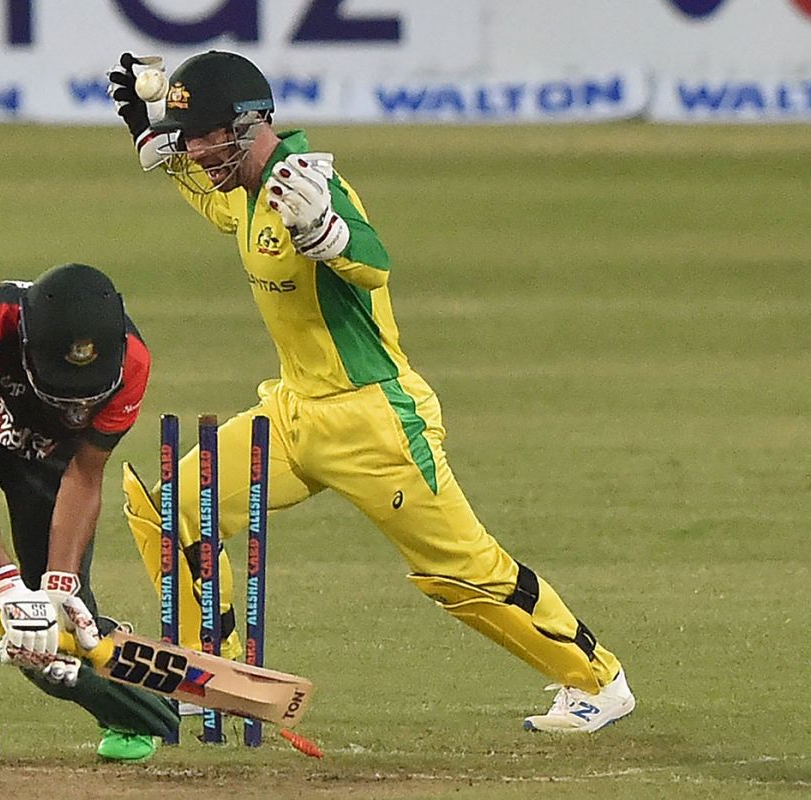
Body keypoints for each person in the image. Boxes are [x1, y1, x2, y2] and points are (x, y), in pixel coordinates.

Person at [107, 51, 636, 733]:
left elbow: (374, 259)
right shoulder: (245, 192)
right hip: (293, 415)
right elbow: (219, 203)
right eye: (192, 138)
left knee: (462, 575)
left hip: (374, 423)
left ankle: (598, 681)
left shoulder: (308, 186)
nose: (199, 151)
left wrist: (327, 236)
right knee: (165, 508)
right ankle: (216, 671)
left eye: (207, 136)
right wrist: (155, 141)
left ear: (249, 124)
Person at [0, 263, 178, 789]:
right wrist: (5, 583)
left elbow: (85, 474)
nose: (74, 401)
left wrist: (58, 584)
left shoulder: (132, 364)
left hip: (50, 449)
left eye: (85, 393)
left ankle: (137, 708)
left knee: (55, 623)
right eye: (61, 387)